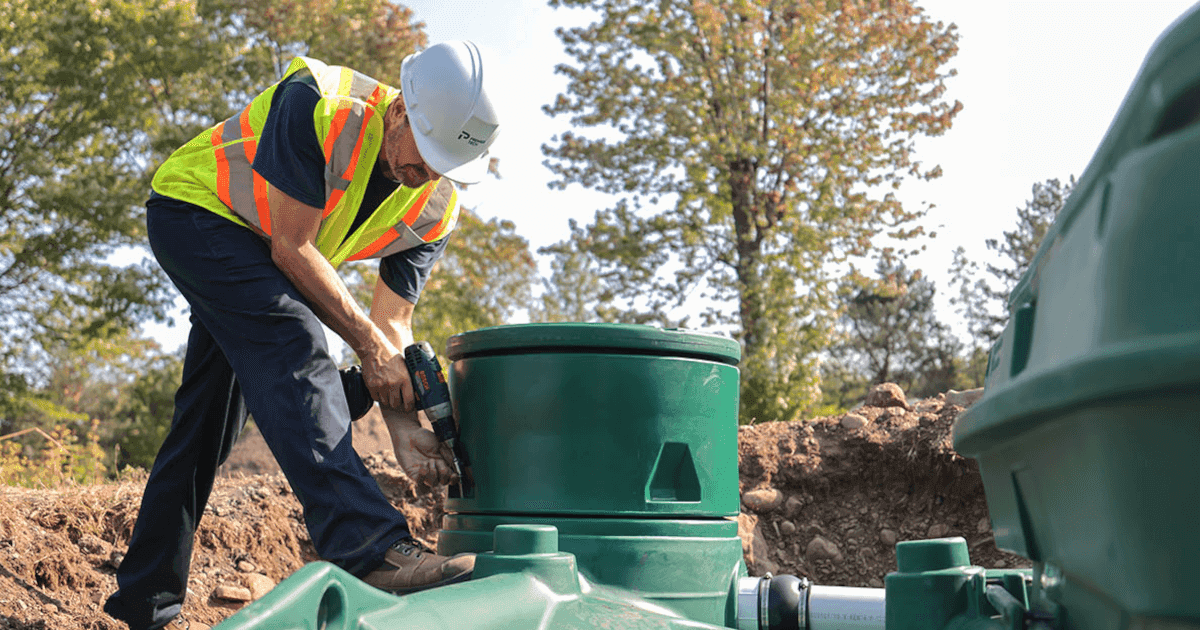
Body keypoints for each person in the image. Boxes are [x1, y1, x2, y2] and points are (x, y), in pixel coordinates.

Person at [103, 41, 500, 630]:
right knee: (295, 339)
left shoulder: (436, 208)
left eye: (444, 167)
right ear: (399, 111)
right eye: (424, 156)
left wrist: (404, 429)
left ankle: (144, 602)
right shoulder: (317, 103)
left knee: (208, 424)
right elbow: (292, 247)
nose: (426, 175)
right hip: (198, 214)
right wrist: (366, 350)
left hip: (264, 258)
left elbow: (391, 325)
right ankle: (368, 545)